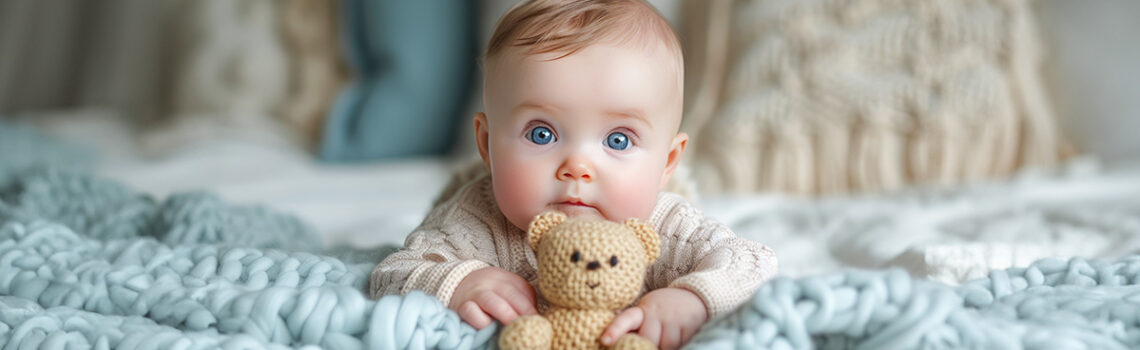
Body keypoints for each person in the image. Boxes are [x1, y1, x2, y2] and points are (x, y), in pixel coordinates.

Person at [370, 0, 777, 348]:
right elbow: (391, 274)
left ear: (667, 163)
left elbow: (753, 263)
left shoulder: (664, 226)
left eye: (618, 140)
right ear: (487, 145)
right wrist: (460, 280)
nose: (577, 167)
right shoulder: (476, 221)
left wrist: (693, 298)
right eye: (542, 133)